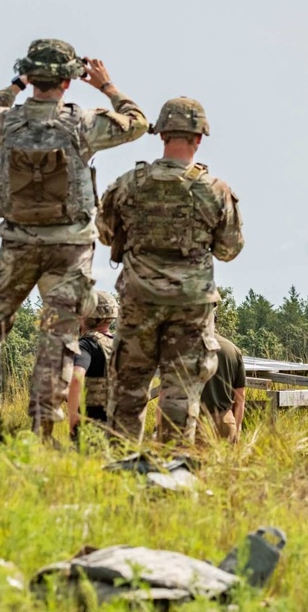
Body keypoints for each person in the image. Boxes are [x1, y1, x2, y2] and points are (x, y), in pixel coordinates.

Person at [0, 39, 148, 442]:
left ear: (30, 75)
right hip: (69, 248)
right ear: (69, 80)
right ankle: (43, 432)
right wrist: (106, 85)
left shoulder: (7, 123)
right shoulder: (82, 123)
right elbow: (136, 120)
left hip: (16, 244)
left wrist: (14, 86)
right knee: (58, 338)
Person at [97, 97, 244, 446]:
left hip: (138, 300)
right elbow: (229, 250)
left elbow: (103, 233)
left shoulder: (128, 184)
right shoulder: (215, 191)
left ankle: (121, 463)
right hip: (190, 305)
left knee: (129, 389)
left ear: (161, 134)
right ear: (199, 138)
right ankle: (175, 465)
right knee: (181, 391)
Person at [67, 289, 117, 440]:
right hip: (118, 424)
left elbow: (76, 377)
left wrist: (73, 417)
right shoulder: (119, 344)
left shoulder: (86, 345)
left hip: (91, 426)